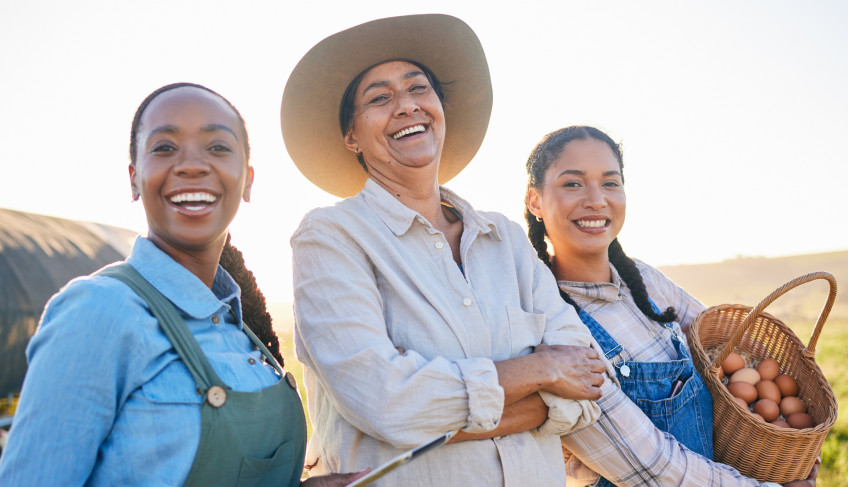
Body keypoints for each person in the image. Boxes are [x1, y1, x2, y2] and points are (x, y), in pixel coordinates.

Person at [281, 14, 606, 487]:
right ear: (351, 136)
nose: (406, 106)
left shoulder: (506, 239)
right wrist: (541, 368)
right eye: (379, 98)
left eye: (419, 89)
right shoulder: (331, 237)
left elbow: (591, 383)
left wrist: (436, 417)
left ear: (440, 107)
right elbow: (385, 401)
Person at [0, 82, 367, 486]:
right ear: (134, 178)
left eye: (218, 147)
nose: (192, 165)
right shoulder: (99, 310)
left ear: (247, 180)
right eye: (164, 147)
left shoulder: (240, 331)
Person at [524, 125, 819, 486]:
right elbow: (654, 467)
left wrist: (792, 436)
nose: (596, 199)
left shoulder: (642, 279)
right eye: (573, 183)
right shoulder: (555, 327)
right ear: (535, 200)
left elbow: (726, 342)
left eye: (610, 183)